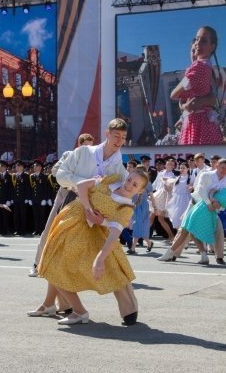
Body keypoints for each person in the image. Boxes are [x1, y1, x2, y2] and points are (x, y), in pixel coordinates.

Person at [28, 169, 149, 325]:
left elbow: (113, 235)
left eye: (135, 184)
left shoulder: (125, 209)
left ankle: (79, 311)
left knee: (54, 265)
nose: (129, 185)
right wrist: (88, 209)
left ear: (141, 190)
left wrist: (100, 258)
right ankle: (50, 304)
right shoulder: (112, 179)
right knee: (52, 262)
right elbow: (81, 185)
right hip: (69, 219)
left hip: (86, 233)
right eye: (129, 180)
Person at [28, 133, 94, 277]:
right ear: (79, 145)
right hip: (65, 194)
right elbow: (55, 171)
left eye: (90, 146)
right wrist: (74, 181)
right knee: (50, 228)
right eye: (85, 146)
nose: (87, 149)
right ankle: (37, 264)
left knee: (84, 233)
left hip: (83, 198)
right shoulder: (69, 155)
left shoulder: (94, 159)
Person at [158, 158, 226, 265]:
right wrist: (209, 203)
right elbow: (200, 191)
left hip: (211, 210)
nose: (224, 170)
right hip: (195, 204)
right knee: (184, 229)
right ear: (217, 166)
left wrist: (219, 206)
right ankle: (173, 254)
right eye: (222, 167)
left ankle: (218, 257)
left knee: (219, 230)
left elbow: (223, 198)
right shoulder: (206, 174)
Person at [171, 26, 223, 145]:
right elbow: (210, 97)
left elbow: (173, 94)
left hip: (196, 123)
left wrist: (183, 106)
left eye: (203, 40)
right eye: (196, 39)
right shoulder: (209, 67)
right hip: (206, 121)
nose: (197, 43)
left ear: (212, 46)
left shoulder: (198, 67)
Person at [127, 165, 155, 255]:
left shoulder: (147, 183)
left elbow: (151, 196)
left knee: (137, 225)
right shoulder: (134, 181)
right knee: (138, 226)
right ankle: (149, 243)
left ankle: (133, 248)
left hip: (142, 207)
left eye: (140, 171)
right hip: (134, 205)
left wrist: (155, 206)